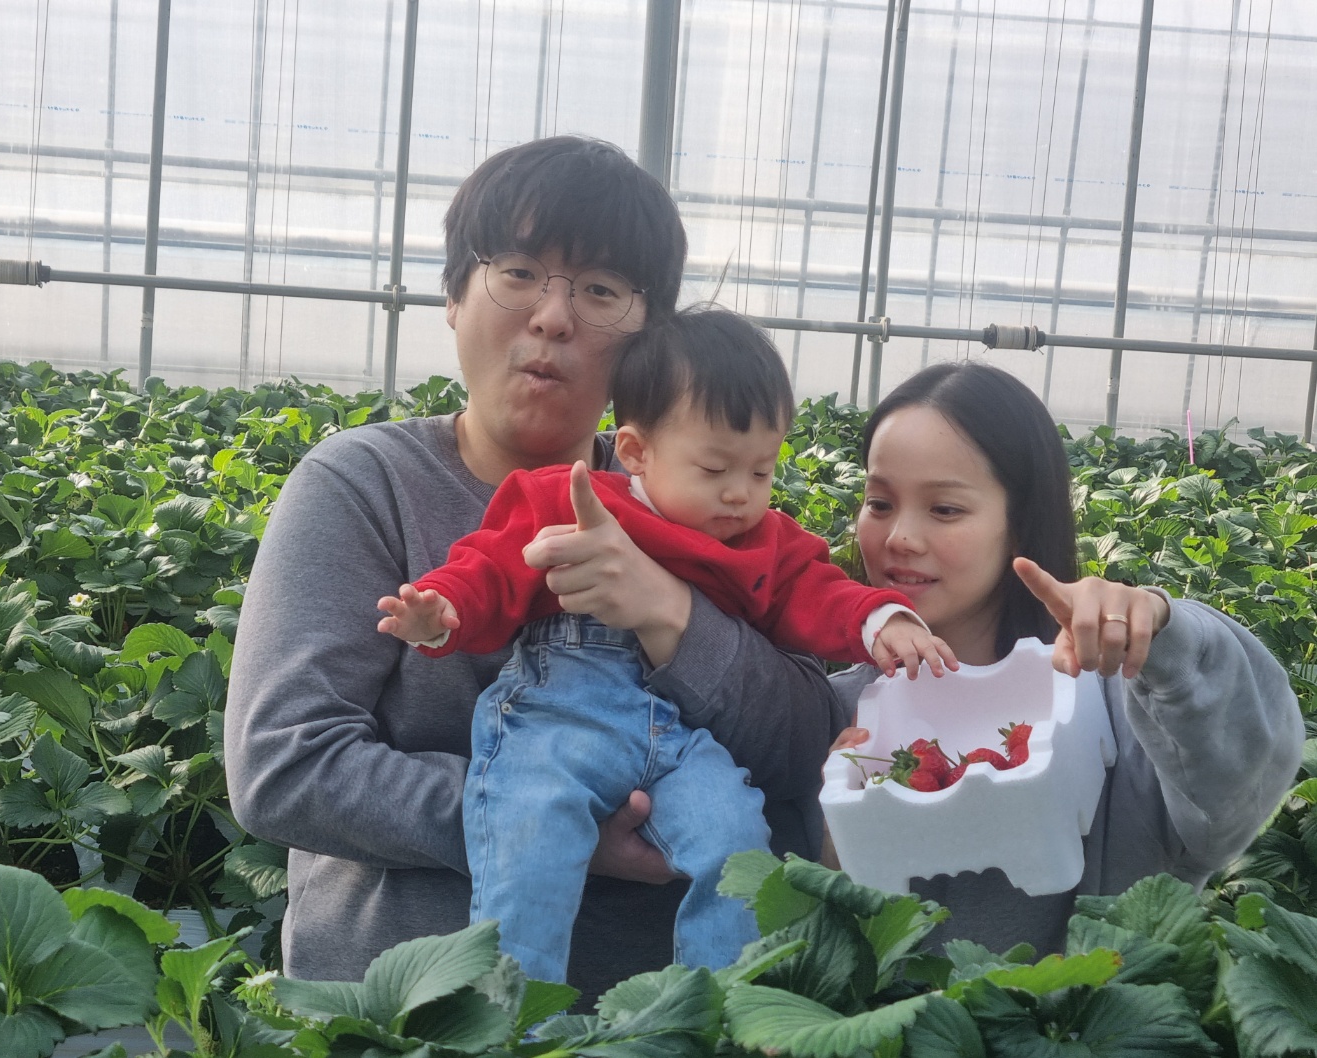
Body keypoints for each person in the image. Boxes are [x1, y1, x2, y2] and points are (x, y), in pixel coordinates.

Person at [222, 136, 844, 997]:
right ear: (453, 295)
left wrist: (671, 613)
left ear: (652, 337)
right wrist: (546, 821)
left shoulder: (710, 500)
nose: (553, 317)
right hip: (404, 1011)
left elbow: (807, 747)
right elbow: (284, 765)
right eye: (517, 272)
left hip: (657, 1018)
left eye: (601, 290)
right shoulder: (364, 485)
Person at [377, 307, 955, 983]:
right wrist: (439, 611)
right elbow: (490, 568)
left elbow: (819, 592)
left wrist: (882, 619)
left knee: (735, 841)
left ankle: (717, 1007)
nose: (739, 495)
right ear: (635, 452)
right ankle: (509, 1016)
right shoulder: (566, 501)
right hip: (556, 722)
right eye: (714, 468)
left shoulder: (766, 544)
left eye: (761, 471)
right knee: (528, 838)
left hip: (678, 739)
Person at [820, 360, 1303, 954]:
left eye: (945, 509)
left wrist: (1162, 628)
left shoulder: (1111, 712)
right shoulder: (839, 718)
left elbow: (1245, 770)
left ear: (1020, 524)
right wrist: (835, 840)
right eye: (879, 502)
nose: (898, 537)